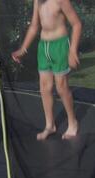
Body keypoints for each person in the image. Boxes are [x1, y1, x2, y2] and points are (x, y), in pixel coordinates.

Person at [12, 0, 82, 140]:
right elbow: (34, 26)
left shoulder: (61, 1)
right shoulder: (37, 1)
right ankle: (50, 126)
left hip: (60, 46)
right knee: (44, 87)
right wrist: (23, 49)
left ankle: (72, 122)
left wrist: (73, 51)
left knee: (61, 87)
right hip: (43, 47)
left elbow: (77, 24)